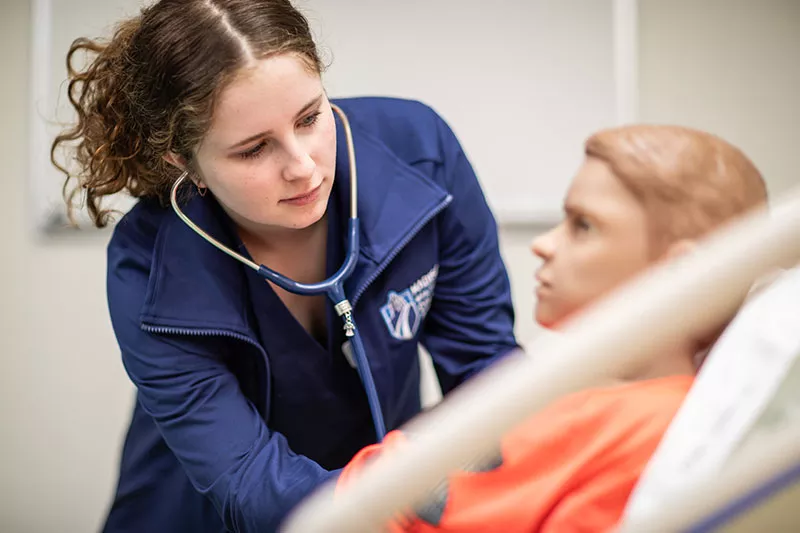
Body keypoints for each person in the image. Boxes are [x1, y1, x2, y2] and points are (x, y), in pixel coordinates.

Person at [50, 1, 519, 532]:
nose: (303, 167)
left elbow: (487, 367)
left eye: (310, 117)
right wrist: (406, 500)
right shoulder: (148, 265)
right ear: (184, 162)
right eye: (253, 150)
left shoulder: (421, 153)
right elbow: (248, 479)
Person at [336, 124, 768, 532]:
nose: (544, 244)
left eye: (583, 225)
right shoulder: (586, 395)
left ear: (680, 271)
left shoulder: (654, 431)